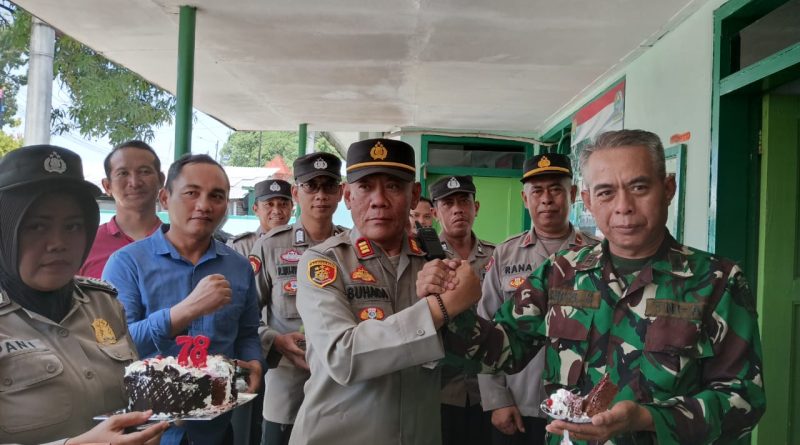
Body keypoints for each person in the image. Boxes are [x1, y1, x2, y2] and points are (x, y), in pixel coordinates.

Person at [437, 129, 766, 444]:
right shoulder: (561, 272)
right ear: (588, 201)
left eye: (639, 187)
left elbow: (744, 398)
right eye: (606, 192)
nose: (623, 206)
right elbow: (499, 350)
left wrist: (648, 418)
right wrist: (448, 305)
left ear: (668, 188)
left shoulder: (716, 281)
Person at [289, 138, 481, 445]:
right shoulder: (324, 262)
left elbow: (463, 360)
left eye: (393, 186)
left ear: (414, 194)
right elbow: (343, 357)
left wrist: (463, 306)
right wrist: (439, 309)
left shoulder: (436, 262)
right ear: (348, 196)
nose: (378, 200)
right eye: (365, 187)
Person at [0, 145, 167, 444]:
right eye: (36, 226)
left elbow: (130, 397)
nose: (58, 243)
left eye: (73, 226)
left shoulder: (103, 304)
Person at [103, 154, 263, 445]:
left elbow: (248, 332)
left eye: (216, 196)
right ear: (165, 198)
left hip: (216, 430)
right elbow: (113, 347)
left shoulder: (239, 267)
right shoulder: (127, 263)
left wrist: (253, 362)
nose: (204, 205)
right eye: (191, 193)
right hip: (145, 434)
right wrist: (184, 311)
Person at [477, 153, 598, 445]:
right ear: (524, 198)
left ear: (572, 194)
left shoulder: (596, 255)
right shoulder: (505, 254)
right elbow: (485, 328)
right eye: (537, 191)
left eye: (555, 189)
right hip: (519, 404)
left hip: (579, 408)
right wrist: (497, 400)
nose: (546, 199)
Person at [248, 152, 347, 445]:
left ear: (341, 192)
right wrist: (275, 340)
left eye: (329, 186)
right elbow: (244, 315)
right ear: (296, 193)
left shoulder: (352, 247)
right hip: (288, 386)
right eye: (310, 186)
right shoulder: (270, 247)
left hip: (342, 387)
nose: (320, 195)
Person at [427, 175, 494, 445]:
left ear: (475, 207)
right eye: (448, 203)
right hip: (441, 389)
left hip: (488, 388)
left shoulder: (496, 256)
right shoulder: (425, 259)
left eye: (464, 201)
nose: (457, 209)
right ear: (435, 213)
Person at [79, 140, 164, 278]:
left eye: (144, 172)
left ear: (161, 180)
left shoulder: (181, 242)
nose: (135, 183)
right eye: (123, 173)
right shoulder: (85, 245)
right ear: (107, 186)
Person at [228, 179, 293, 257]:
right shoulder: (240, 247)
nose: (276, 211)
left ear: (291, 207)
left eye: (283, 204)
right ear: (256, 210)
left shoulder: (302, 244)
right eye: (269, 204)